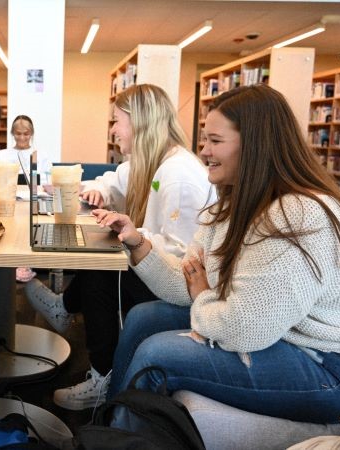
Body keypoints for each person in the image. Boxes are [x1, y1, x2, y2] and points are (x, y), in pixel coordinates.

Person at [102, 84, 340, 424]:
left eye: (215, 141)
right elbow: (187, 279)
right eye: (204, 139)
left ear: (255, 145)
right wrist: (139, 243)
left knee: (158, 355)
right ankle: (108, 428)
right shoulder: (232, 206)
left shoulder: (297, 215)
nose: (202, 151)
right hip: (285, 333)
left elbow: (245, 328)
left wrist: (203, 297)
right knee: (145, 318)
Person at [24, 84, 214, 410]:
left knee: (101, 271)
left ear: (140, 122)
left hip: (185, 286)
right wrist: (96, 190)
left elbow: (182, 257)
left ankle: (102, 376)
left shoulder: (178, 174)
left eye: (117, 121)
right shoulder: (148, 161)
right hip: (161, 269)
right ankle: (66, 311)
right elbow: (112, 181)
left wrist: (133, 234)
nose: (113, 130)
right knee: (101, 254)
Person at [0, 115, 51, 282]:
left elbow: (48, 183)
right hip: (7, 201)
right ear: (12, 134)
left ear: (32, 134)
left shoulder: (41, 155)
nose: (22, 138)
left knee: (27, 218)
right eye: (18, 133)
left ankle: (23, 261)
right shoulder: (3, 154)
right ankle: (9, 262)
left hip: (32, 202)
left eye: (26, 133)